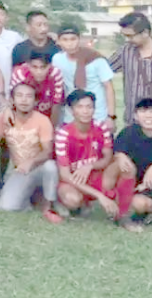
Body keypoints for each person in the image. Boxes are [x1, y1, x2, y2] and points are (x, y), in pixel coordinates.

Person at [55, 90, 141, 232]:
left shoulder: (101, 128)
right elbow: (65, 175)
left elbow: (107, 158)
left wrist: (90, 166)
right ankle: (78, 204)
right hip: (74, 181)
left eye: (89, 107)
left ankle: (122, 215)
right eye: (80, 107)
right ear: (71, 110)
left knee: (127, 167)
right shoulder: (63, 134)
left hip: (97, 177)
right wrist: (100, 196)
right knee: (72, 200)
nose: (85, 111)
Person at [0, 82, 62, 223]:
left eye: (29, 96)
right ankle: (30, 201)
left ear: (35, 101)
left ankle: (48, 207)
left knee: (51, 166)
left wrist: (31, 161)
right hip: (21, 170)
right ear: (12, 100)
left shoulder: (42, 120)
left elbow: (48, 152)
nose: (24, 100)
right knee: (6, 207)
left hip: (40, 167)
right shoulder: (4, 118)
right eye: (20, 96)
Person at [52, 26, 115, 130]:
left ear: (79, 39)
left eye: (73, 39)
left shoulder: (95, 59)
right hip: (70, 115)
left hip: (97, 115)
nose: (70, 43)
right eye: (65, 40)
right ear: (58, 42)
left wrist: (111, 116)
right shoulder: (57, 59)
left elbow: (108, 87)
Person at [114, 98, 152, 223]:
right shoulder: (128, 133)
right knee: (139, 203)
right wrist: (120, 156)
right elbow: (117, 152)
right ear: (136, 116)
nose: (148, 116)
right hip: (138, 186)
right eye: (143, 112)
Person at [109, 12, 152, 124]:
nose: (127, 39)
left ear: (145, 33)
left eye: (130, 36)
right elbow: (105, 69)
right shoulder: (125, 51)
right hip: (132, 120)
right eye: (124, 36)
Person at [10, 50, 65, 125]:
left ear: (49, 66)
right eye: (34, 67)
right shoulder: (19, 73)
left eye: (43, 67)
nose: (39, 72)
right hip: (24, 115)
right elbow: (14, 100)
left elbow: (56, 103)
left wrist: (51, 129)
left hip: (47, 114)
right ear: (28, 65)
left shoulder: (55, 74)